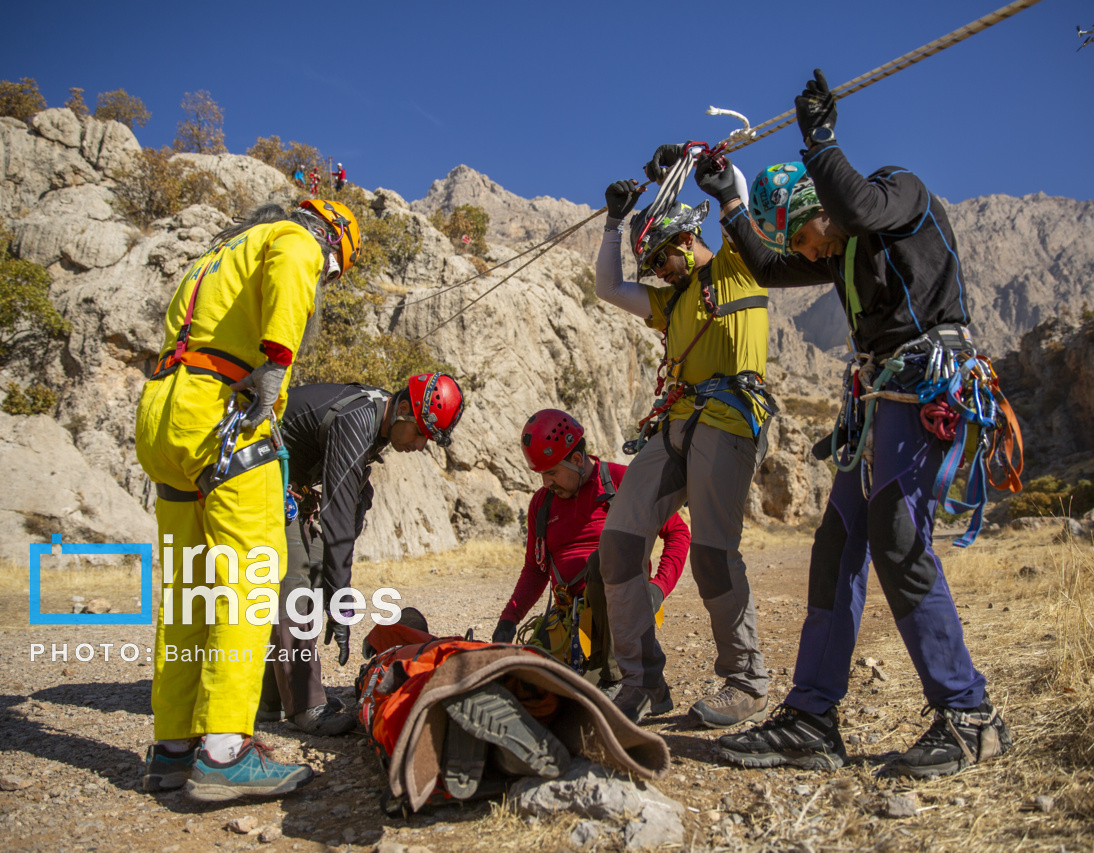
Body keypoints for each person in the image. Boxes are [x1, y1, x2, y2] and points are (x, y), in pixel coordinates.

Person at [707, 70, 1012, 777]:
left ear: (821, 201)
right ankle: (812, 716)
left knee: (896, 535)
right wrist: (730, 199)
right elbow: (768, 263)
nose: (811, 254)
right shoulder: (841, 244)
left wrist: (820, 141)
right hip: (880, 398)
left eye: (809, 235)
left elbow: (861, 206)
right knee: (838, 542)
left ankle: (968, 715)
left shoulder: (897, 193)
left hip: (926, 382)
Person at [136, 199, 362, 801]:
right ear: (331, 236)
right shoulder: (297, 237)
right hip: (226, 412)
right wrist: (278, 362)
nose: (326, 279)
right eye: (333, 269)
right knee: (248, 580)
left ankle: (172, 748)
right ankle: (225, 752)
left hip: (165, 414)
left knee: (186, 588)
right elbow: (296, 259)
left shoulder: (214, 256)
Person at [593, 154, 776, 727]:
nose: (657, 271)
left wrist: (720, 180)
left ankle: (746, 679)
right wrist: (614, 225)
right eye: (650, 263)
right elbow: (607, 286)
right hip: (675, 422)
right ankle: (643, 681)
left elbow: (739, 199)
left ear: (685, 236)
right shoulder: (670, 302)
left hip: (729, 418)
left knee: (711, 553)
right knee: (619, 544)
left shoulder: (738, 266)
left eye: (661, 258)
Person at [258, 373, 466, 735]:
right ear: (402, 408)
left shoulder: (376, 418)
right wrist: (341, 605)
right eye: (420, 433)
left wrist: (335, 587)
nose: (420, 445)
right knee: (296, 587)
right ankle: (306, 705)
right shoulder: (357, 420)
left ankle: (271, 698)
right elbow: (337, 515)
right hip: (260, 477)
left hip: (285, 480)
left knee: (315, 572)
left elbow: (345, 508)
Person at [492, 409, 689, 694]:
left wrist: (658, 588)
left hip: (619, 620)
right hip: (569, 623)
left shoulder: (623, 482)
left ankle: (619, 677)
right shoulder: (542, 503)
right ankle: (643, 686)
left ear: (576, 460)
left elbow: (677, 532)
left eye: (551, 473)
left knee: (603, 560)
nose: (546, 483)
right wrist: (508, 620)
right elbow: (536, 570)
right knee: (531, 689)